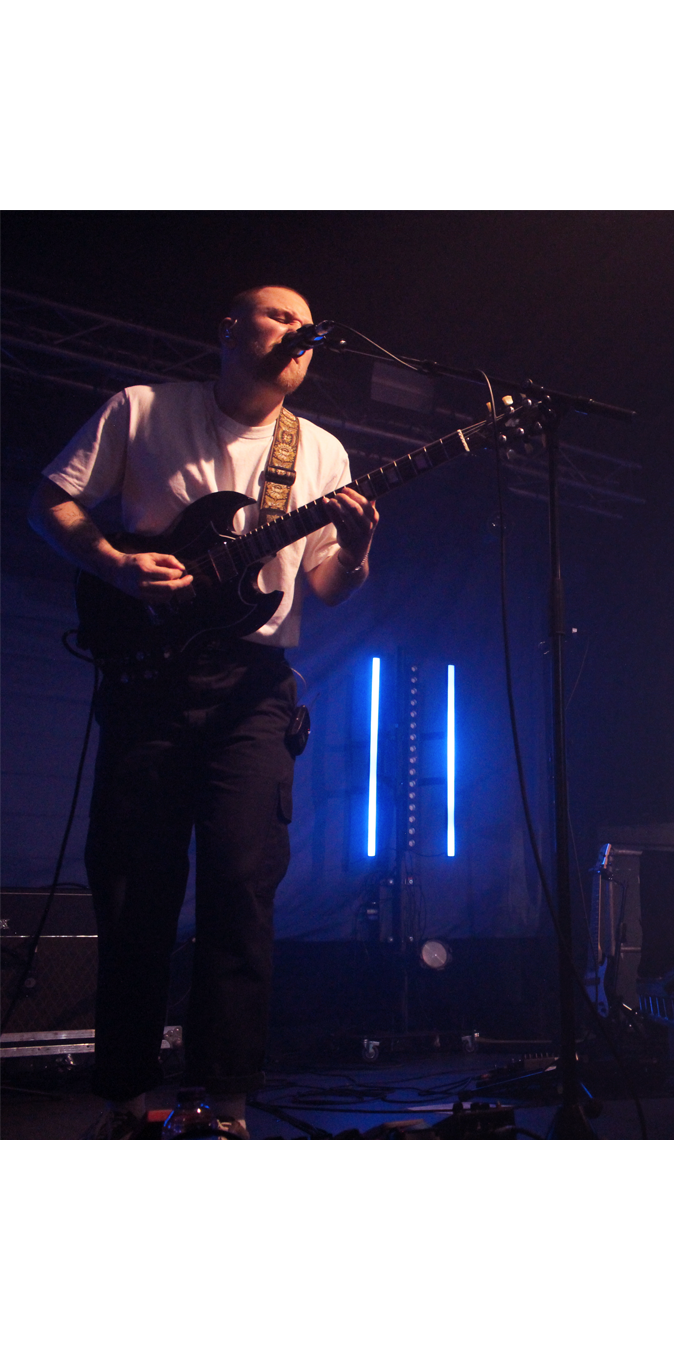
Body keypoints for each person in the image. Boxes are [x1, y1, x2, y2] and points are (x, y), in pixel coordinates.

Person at [28, 285, 378, 1138]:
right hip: (148, 677)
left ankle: (224, 1103)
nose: (299, 333)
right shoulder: (143, 411)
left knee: (242, 887)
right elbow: (50, 501)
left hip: (254, 689)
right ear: (228, 329)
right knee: (133, 889)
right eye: (279, 317)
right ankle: (125, 1097)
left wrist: (358, 545)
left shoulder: (320, 450)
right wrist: (113, 563)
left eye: (308, 328)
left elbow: (328, 586)